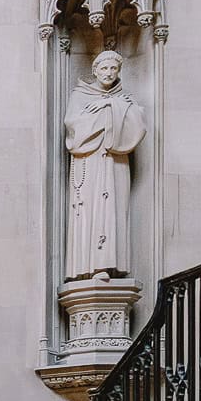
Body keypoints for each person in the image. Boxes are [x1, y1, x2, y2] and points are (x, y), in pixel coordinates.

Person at [63, 49, 145, 280]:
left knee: (114, 211)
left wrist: (110, 106)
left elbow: (137, 128)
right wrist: (110, 109)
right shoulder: (80, 96)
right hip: (89, 164)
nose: (109, 73)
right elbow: (74, 128)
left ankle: (109, 265)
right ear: (95, 70)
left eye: (113, 68)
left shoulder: (124, 100)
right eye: (104, 68)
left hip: (115, 163)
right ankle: (86, 269)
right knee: (90, 211)